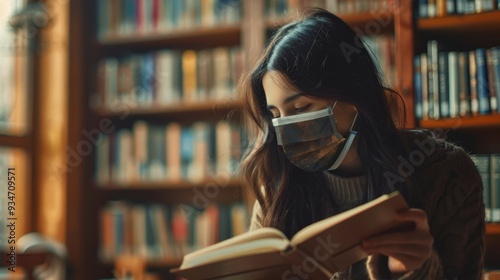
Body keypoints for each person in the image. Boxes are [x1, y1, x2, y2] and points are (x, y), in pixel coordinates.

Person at [237, 7, 485, 280]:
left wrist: (414, 270)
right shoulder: (277, 180)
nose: (285, 128)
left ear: (353, 96)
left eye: (301, 107)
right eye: (275, 115)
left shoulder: (448, 176)